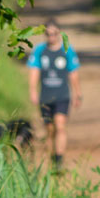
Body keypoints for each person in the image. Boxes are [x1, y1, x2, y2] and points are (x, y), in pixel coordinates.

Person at [27, 18, 82, 168]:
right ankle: (52, 156)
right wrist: (32, 91)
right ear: (45, 34)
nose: (51, 37)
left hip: (62, 95)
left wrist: (77, 93)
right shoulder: (39, 50)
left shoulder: (67, 50)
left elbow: (73, 73)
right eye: (48, 34)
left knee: (60, 125)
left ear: (59, 33)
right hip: (45, 96)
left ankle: (59, 158)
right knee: (49, 129)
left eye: (54, 34)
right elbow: (34, 72)